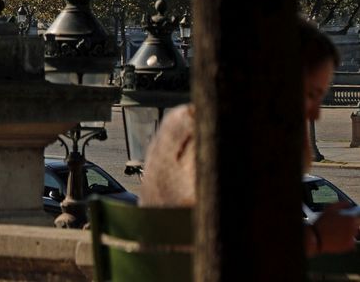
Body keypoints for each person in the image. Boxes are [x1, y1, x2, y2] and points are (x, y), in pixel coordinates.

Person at [139, 18, 359, 256]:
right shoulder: (227, 145)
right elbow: (236, 247)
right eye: (311, 94)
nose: (316, 113)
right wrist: (317, 238)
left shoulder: (184, 124)